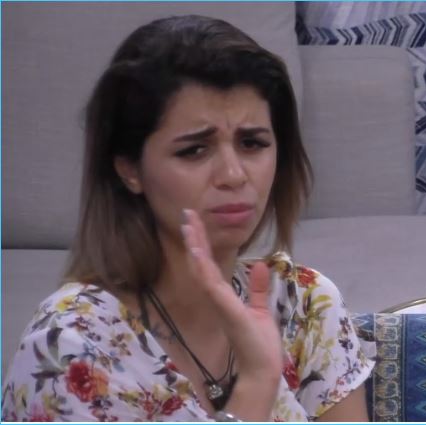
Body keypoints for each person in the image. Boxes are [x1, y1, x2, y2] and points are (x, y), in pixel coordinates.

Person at [1, 15, 374, 422]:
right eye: (194, 150)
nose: (233, 175)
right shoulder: (72, 348)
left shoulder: (306, 305)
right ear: (129, 169)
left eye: (252, 143)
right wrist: (256, 383)